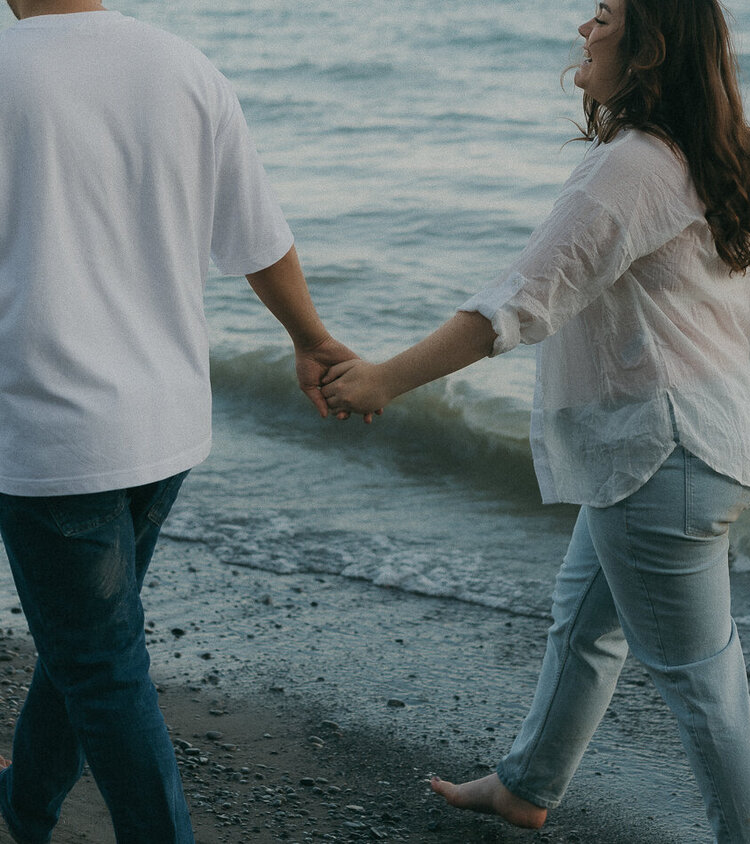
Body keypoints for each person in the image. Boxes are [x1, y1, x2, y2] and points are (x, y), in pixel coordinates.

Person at [322, 0, 750, 840]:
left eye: (603, 15)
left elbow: (518, 303)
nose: (584, 29)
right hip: (699, 449)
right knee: (588, 619)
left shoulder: (631, 168)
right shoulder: (709, 154)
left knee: (706, 684)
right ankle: (526, 784)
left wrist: (384, 379)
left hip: (661, 455)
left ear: (649, 46)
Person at [0, 2, 364, 841]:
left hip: (53, 429)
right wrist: (308, 337)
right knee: (91, 643)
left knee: (101, 663)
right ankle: (26, 804)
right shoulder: (183, 67)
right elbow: (257, 237)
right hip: (164, 425)